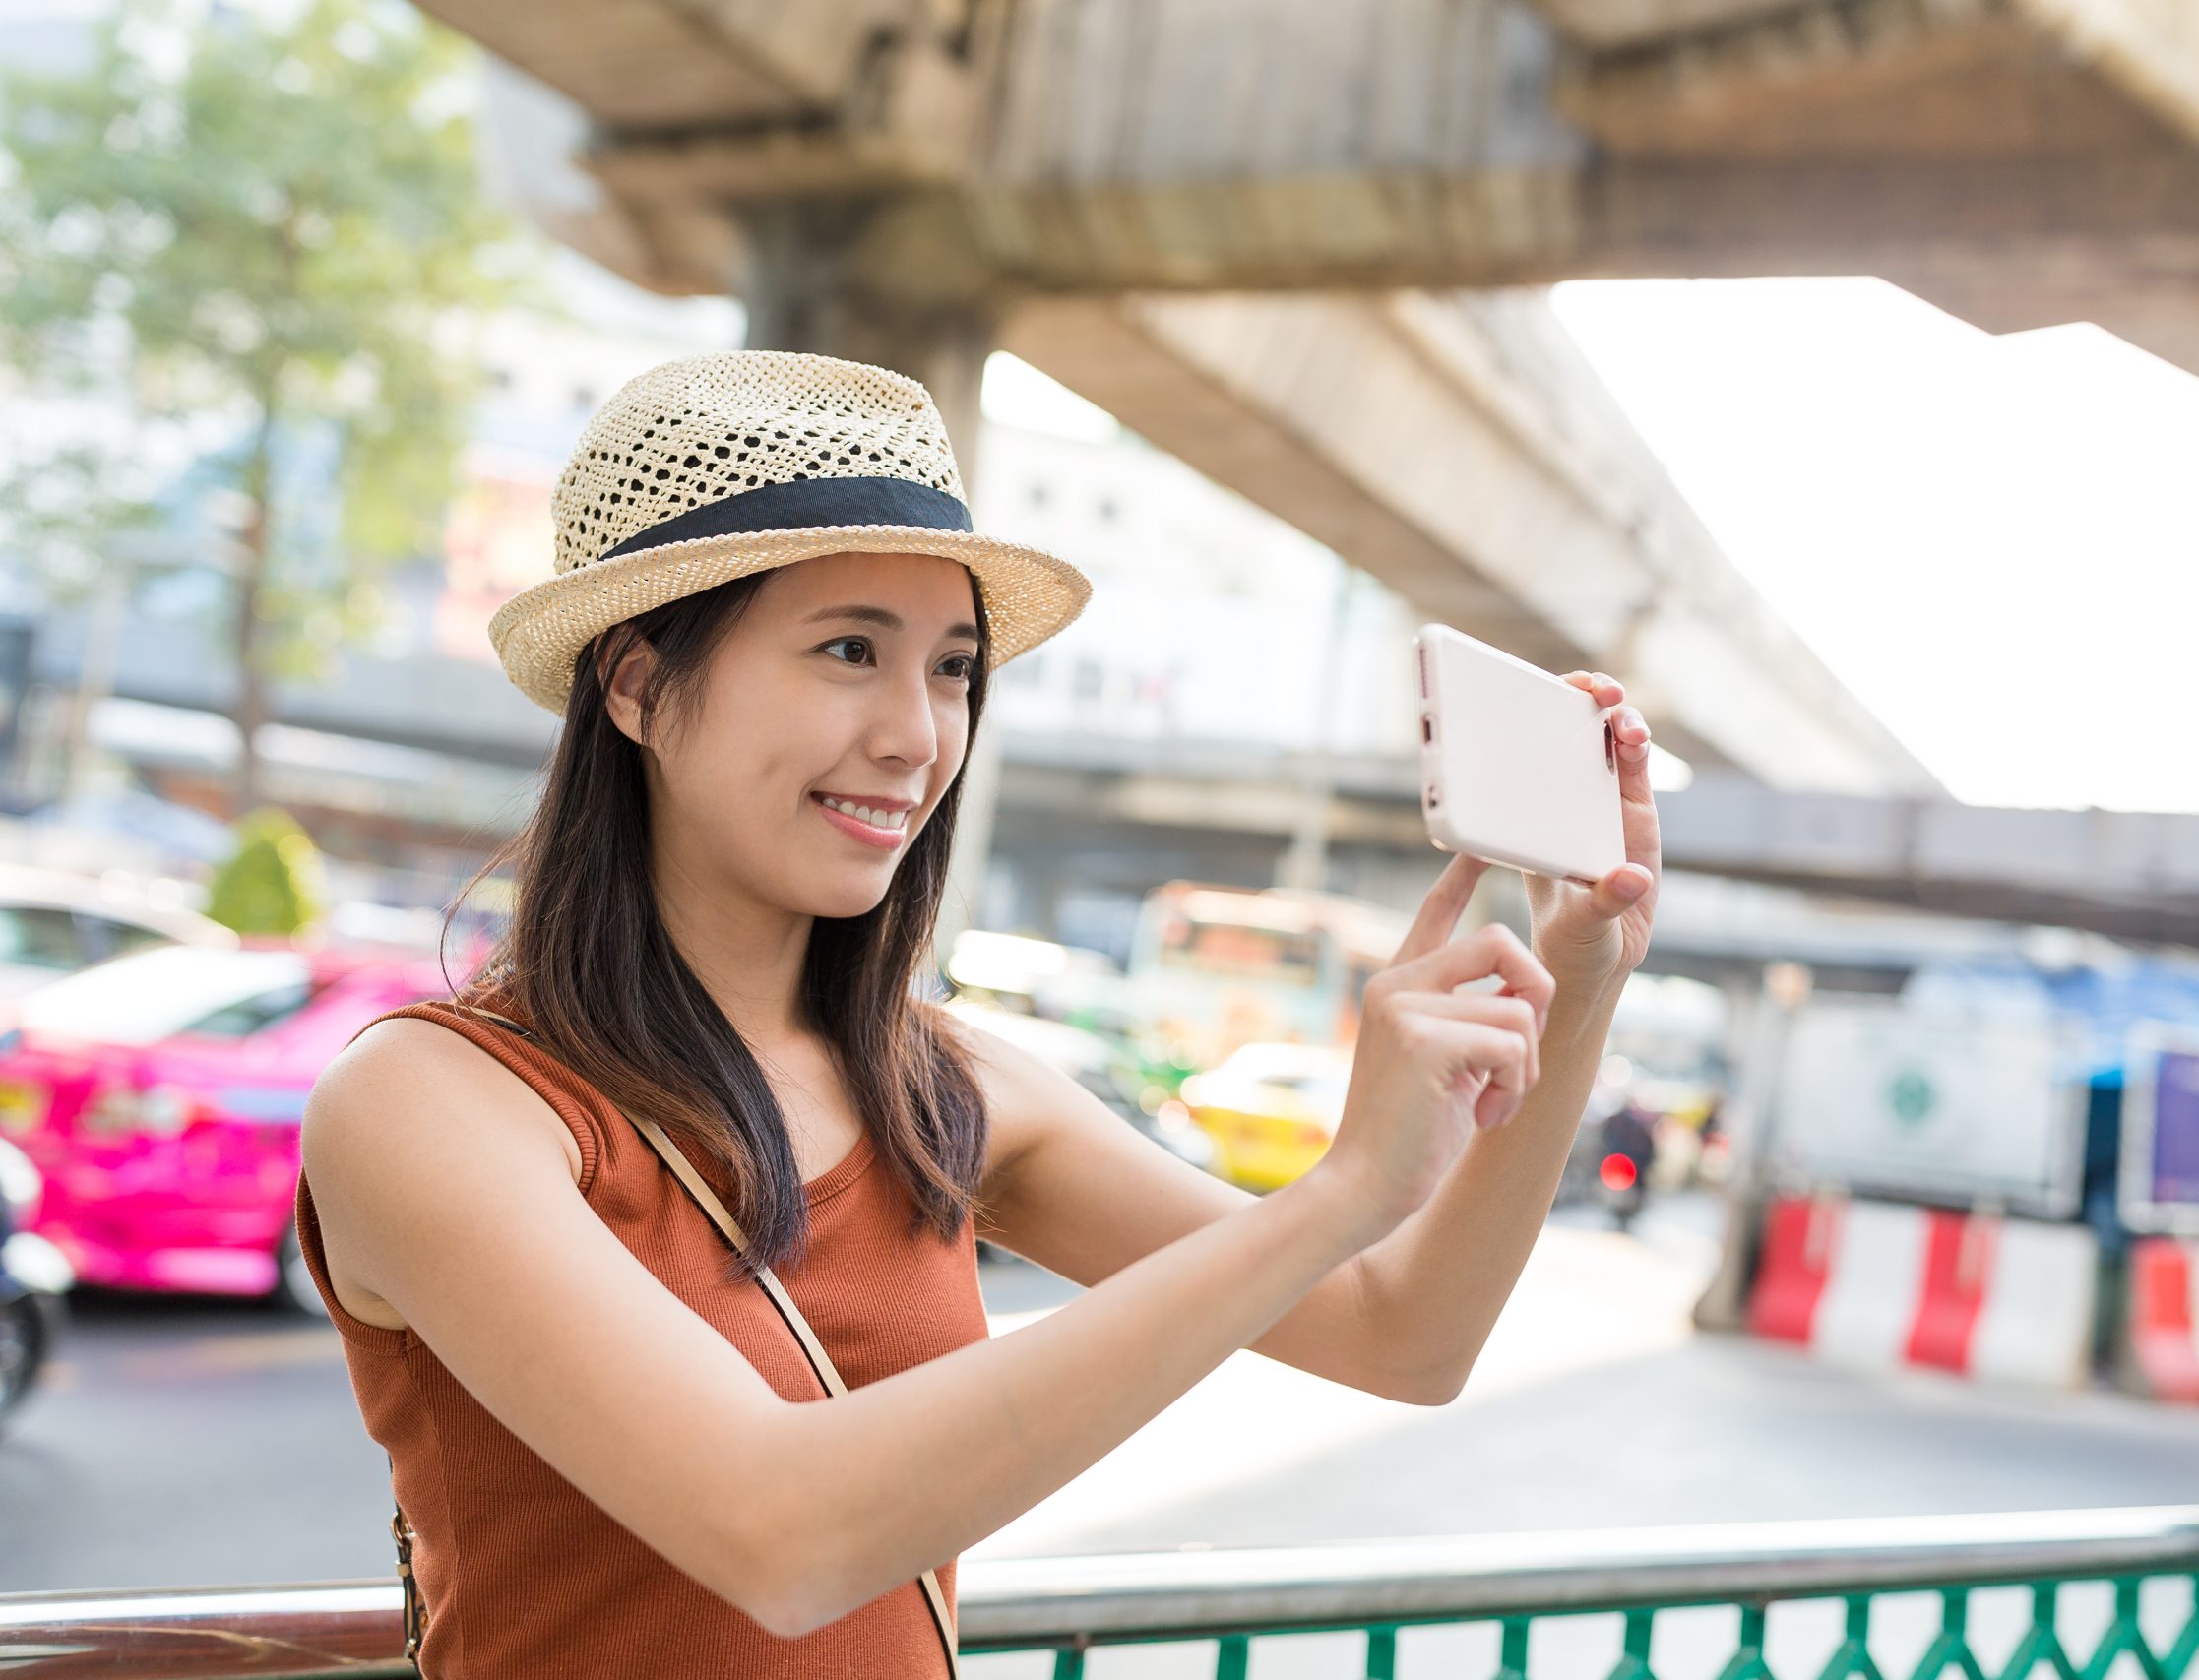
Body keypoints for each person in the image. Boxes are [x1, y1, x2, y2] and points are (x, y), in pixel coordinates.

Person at [294, 349, 1665, 1677]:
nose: (918, 735)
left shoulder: (944, 1089)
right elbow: (783, 1534)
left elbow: (1403, 1337)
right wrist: (1339, 1190)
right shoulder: (436, 1103)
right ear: (642, 686)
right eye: (848, 649)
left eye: (952, 668)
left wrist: (1584, 965)